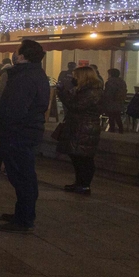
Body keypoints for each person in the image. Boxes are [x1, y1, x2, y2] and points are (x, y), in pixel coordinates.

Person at [0, 40, 50, 234]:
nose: (14, 54)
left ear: (23, 56)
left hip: (19, 133)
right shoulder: (32, 74)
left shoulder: (26, 77)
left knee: (22, 176)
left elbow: (14, 109)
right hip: (25, 131)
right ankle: (22, 213)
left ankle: (24, 218)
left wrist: (2, 129)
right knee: (23, 175)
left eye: (16, 51)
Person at [55, 66, 103, 195]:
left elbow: (76, 106)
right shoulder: (84, 90)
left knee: (84, 158)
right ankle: (79, 182)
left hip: (85, 127)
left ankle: (84, 185)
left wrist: (62, 94)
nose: (73, 78)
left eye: (75, 76)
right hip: (79, 125)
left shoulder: (92, 91)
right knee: (76, 156)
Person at [103, 68, 127, 133]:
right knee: (117, 116)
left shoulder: (110, 82)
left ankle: (112, 129)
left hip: (111, 102)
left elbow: (108, 93)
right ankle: (121, 129)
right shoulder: (122, 82)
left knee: (111, 117)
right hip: (119, 102)